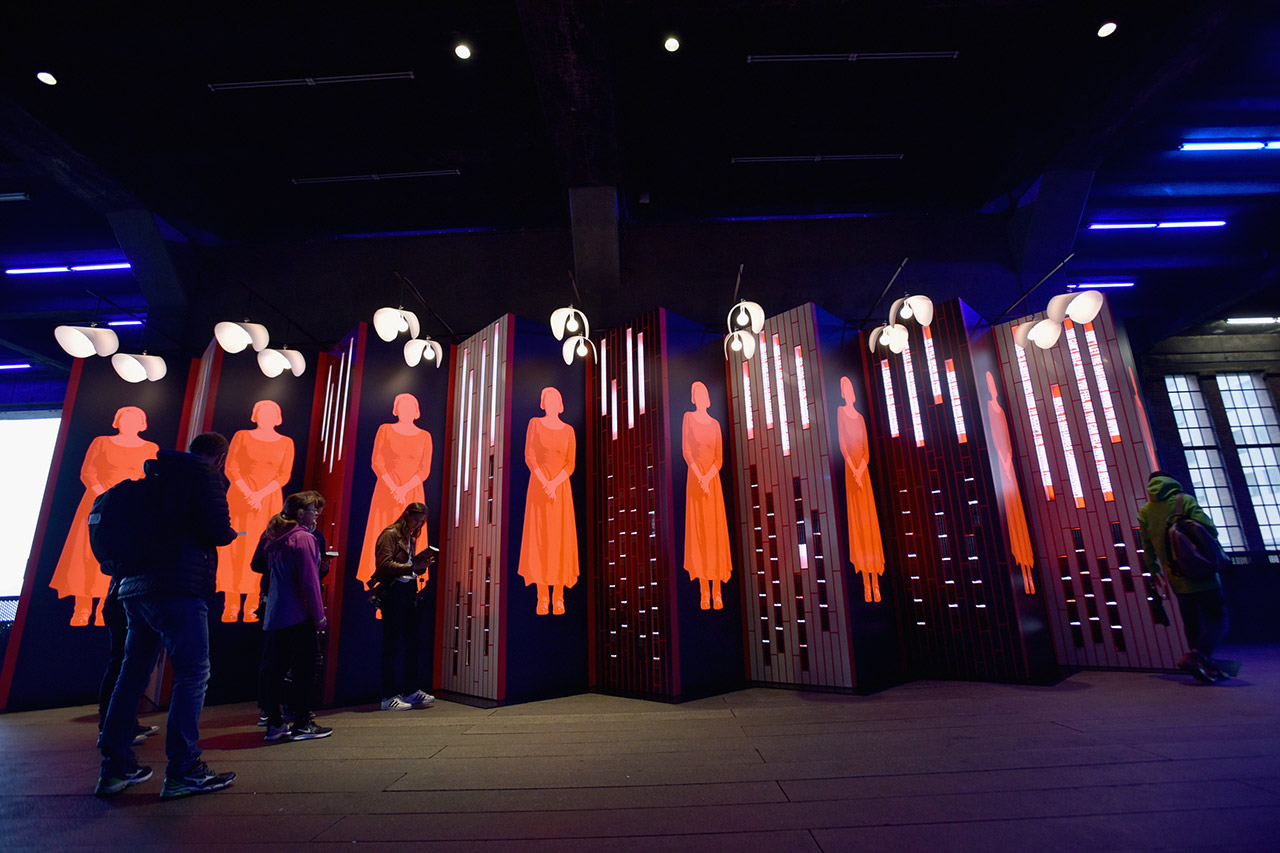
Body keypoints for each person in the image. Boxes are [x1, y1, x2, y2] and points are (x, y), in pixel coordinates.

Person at [96, 432, 239, 798]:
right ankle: (183, 769)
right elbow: (217, 531)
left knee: (132, 675)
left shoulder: (155, 477)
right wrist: (230, 532)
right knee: (192, 672)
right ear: (220, 456)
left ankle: (114, 767)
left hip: (133, 588)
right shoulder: (203, 476)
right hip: (179, 586)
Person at [51, 405, 158, 626]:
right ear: (117, 421)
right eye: (125, 419)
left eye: (134, 420)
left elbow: (149, 478)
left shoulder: (150, 447)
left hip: (130, 510)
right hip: (98, 506)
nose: (129, 424)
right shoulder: (101, 442)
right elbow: (88, 472)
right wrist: (106, 496)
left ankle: (104, 609)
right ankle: (82, 608)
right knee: (87, 556)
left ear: (142, 424)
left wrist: (126, 500)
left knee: (120, 556)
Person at [1138, 471, 1230, 683]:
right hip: (1202, 572)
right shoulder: (1183, 500)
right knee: (1218, 619)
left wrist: (1154, 571)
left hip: (1177, 578)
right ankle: (1196, 656)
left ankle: (1204, 668)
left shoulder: (1145, 511)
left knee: (1192, 624)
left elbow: (1147, 547)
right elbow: (1209, 529)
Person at [258, 491, 332, 741]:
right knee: (306, 669)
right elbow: (309, 582)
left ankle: (274, 724)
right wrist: (319, 616)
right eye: (314, 511)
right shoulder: (303, 539)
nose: (317, 515)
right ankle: (302, 722)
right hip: (299, 615)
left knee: (275, 670)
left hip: (276, 614)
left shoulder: (276, 537)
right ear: (301, 513)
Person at [219, 400, 295, 622]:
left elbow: (283, 474)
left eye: (272, 413)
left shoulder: (286, 442)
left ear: (278, 417)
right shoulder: (242, 436)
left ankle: (253, 604)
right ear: (256, 415)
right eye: (263, 413)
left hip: (268, 501)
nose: (267, 417)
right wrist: (247, 493)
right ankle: (231, 604)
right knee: (235, 548)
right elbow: (231, 467)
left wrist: (259, 495)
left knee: (261, 547)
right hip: (240, 499)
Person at [356, 393, 433, 588]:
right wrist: (394, 488)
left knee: (411, 532)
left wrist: (405, 489)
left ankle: (409, 579)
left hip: (412, 491)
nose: (405, 411)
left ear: (416, 411)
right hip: (387, 489)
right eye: (402, 406)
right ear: (396, 409)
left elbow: (424, 469)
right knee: (386, 531)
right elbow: (377, 461)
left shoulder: (425, 436)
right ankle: (380, 581)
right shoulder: (385, 430)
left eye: (410, 407)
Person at [517, 386, 579, 615]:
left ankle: (559, 596)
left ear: (561, 404)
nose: (552, 403)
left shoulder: (569, 430)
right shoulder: (535, 423)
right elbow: (530, 455)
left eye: (556, 399)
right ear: (544, 403)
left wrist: (554, 484)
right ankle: (542, 597)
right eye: (548, 399)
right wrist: (545, 481)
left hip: (560, 491)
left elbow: (570, 463)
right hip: (539, 487)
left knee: (559, 540)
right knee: (541, 540)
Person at [368, 503, 435, 711]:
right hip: (393, 593)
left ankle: (410, 690)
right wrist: (411, 566)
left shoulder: (410, 538)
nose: (418, 524)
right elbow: (384, 564)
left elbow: (405, 565)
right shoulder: (390, 534)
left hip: (408, 593)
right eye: (416, 519)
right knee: (392, 644)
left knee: (412, 642)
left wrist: (418, 566)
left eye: (422, 521)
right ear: (406, 516)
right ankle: (388, 695)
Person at [682, 381, 732, 610]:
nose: (701, 396)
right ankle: (704, 592)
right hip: (695, 481)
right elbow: (686, 450)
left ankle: (718, 591)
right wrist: (699, 476)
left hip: (713, 485)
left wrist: (708, 476)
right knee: (700, 534)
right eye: (697, 393)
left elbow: (719, 458)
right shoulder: (688, 418)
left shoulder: (715, 424)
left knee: (714, 535)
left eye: (704, 392)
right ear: (693, 397)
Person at [837, 376, 887, 603]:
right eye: (845, 388)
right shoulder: (840, 413)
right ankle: (866, 585)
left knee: (869, 525)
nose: (848, 391)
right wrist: (853, 469)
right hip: (851, 474)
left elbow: (866, 449)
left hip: (862, 475)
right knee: (858, 525)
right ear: (842, 392)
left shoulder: (861, 417)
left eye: (850, 387)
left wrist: (860, 470)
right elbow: (843, 445)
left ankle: (876, 583)